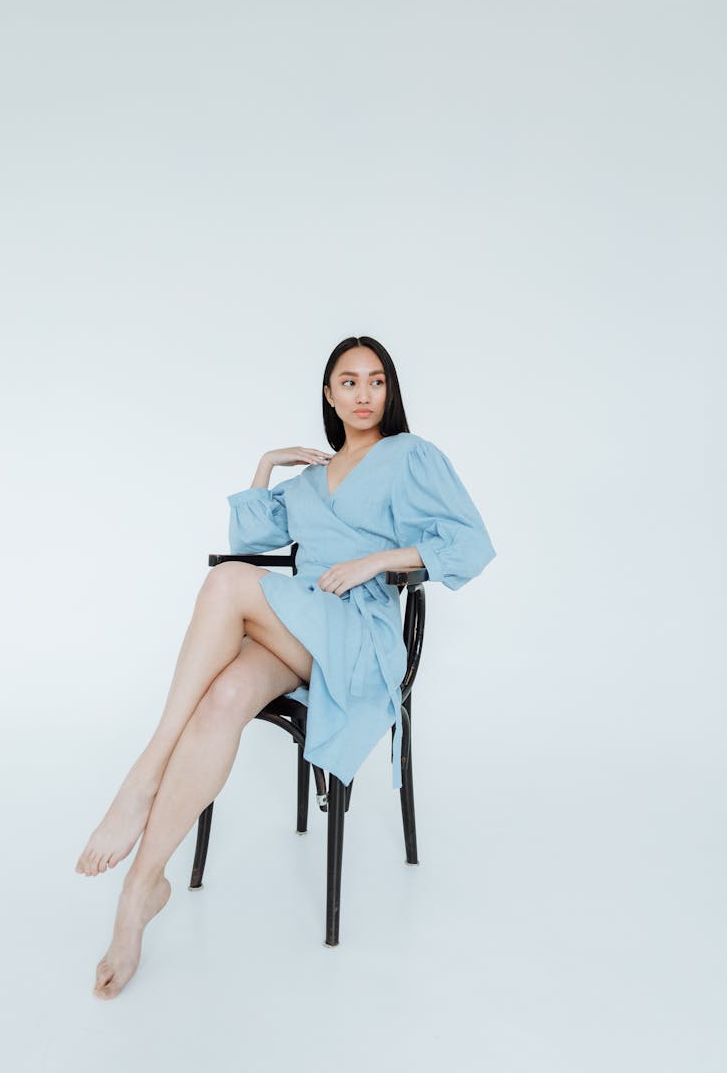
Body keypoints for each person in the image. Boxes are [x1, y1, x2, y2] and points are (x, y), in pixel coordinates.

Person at [76, 335, 496, 999]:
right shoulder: (307, 480)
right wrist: (267, 462)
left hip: (358, 635)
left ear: (390, 392)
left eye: (376, 381)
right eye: (348, 382)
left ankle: (144, 773)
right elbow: (251, 539)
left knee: (226, 586)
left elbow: (471, 544)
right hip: (297, 627)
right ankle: (140, 892)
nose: (363, 394)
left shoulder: (411, 456)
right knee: (224, 696)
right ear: (328, 395)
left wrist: (377, 562)